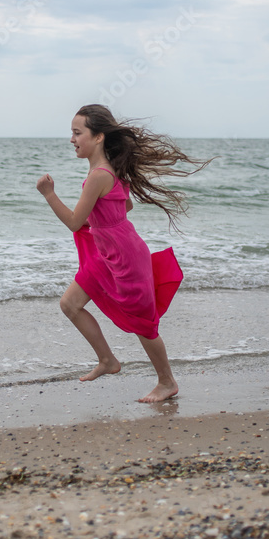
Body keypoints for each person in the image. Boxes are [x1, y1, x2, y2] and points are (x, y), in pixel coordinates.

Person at [36, 104, 210, 403]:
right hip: (108, 254)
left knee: (143, 322)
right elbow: (123, 207)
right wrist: (103, 224)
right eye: (72, 133)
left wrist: (49, 195)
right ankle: (107, 361)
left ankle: (167, 382)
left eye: (78, 133)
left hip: (125, 258)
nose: (72, 139)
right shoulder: (109, 169)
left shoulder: (98, 175)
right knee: (70, 304)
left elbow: (76, 222)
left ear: (99, 137)